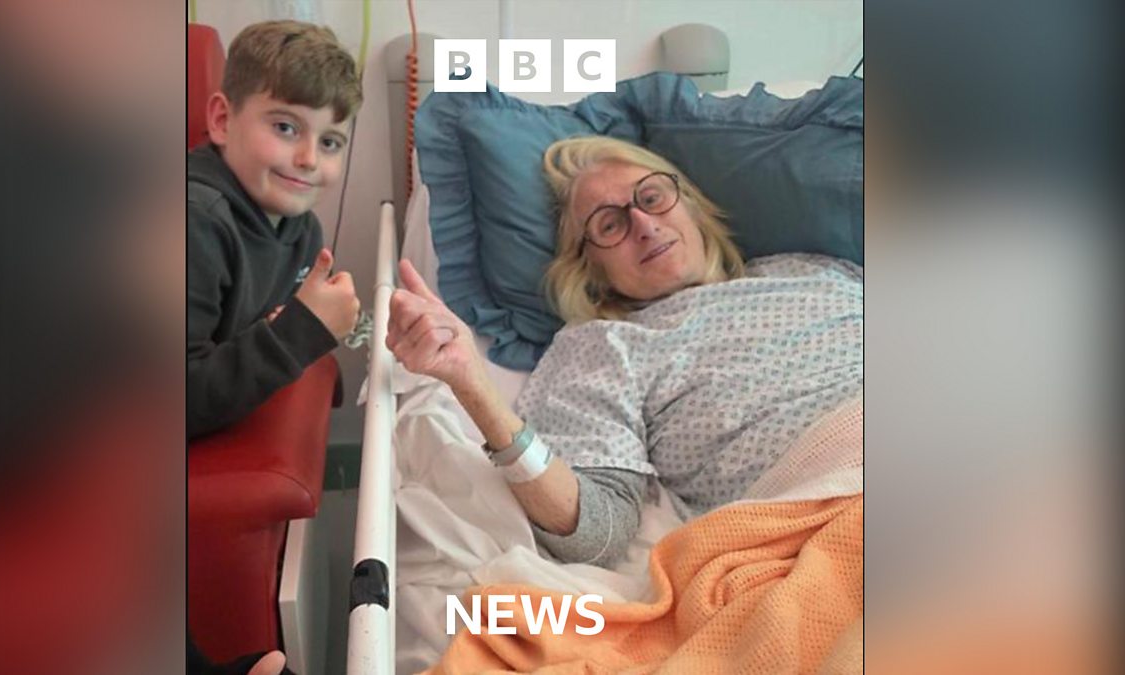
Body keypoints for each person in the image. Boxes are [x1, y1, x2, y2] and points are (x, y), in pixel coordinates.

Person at [387, 136, 863, 567]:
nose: (644, 224)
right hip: (829, 511)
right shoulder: (605, 346)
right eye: (610, 224)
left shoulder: (813, 268)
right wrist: (473, 384)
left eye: (652, 198)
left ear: (692, 207)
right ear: (590, 267)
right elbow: (595, 535)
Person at [188, 20, 363, 438]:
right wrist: (304, 331)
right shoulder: (193, 223)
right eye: (285, 128)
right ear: (222, 120)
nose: (309, 159)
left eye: (330, 142)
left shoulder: (301, 231)